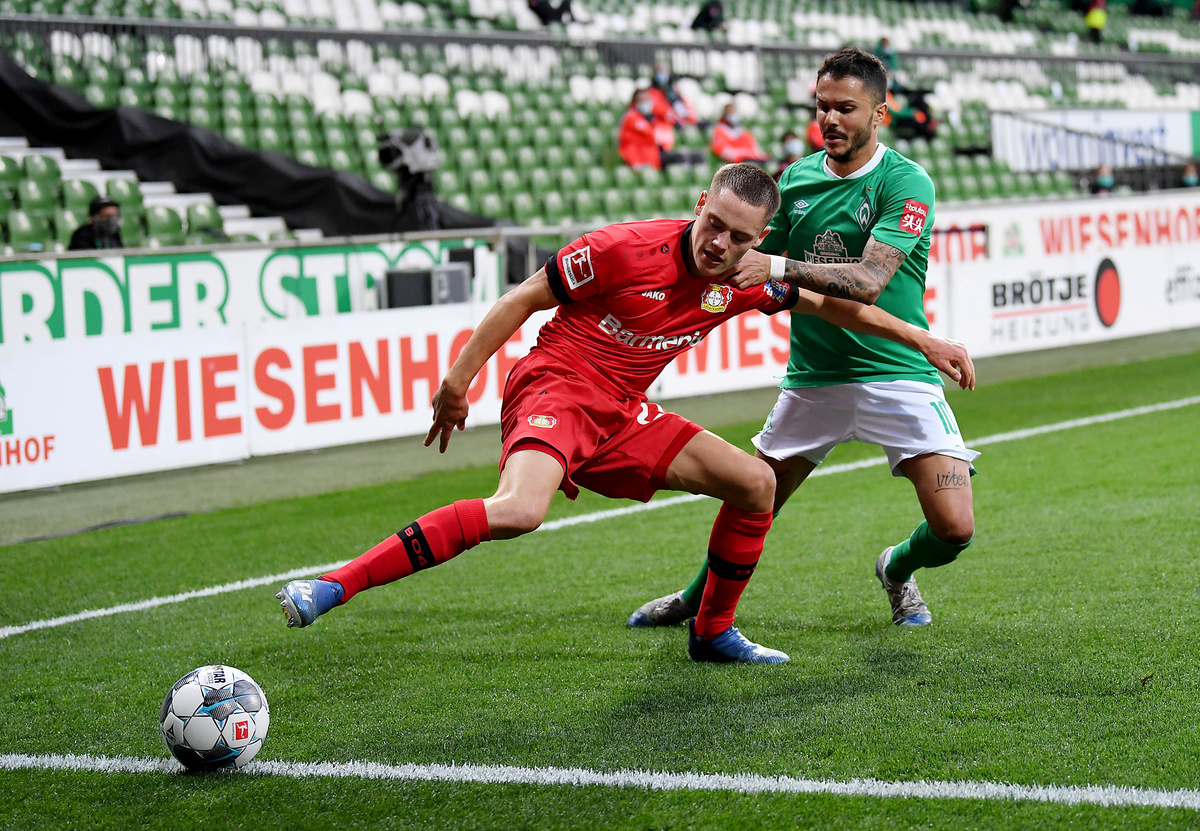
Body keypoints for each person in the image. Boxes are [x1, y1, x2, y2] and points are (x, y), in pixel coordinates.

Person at [276, 162, 975, 665]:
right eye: (713, 224)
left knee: (756, 483)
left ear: (761, 237)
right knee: (519, 511)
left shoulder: (744, 279)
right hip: (556, 388)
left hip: (623, 413)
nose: (719, 244)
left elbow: (836, 306)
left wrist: (925, 339)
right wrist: (458, 381)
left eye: (739, 237)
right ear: (700, 205)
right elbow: (522, 298)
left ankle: (712, 632)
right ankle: (334, 584)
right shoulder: (621, 249)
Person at [628, 47, 979, 632]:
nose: (830, 119)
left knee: (955, 528)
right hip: (815, 379)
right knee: (753, 497)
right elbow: (743, 260)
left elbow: (867, 281)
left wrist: (778, 267)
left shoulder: (905, 182)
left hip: (899, 372)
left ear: (880, 113)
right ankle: (693, 600)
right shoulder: (795, 179)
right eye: (822, 106)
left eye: (846, 108)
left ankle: (896, 567)